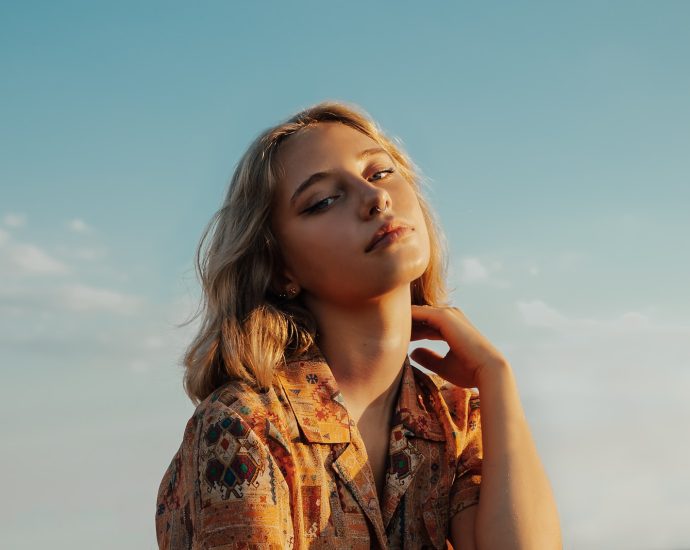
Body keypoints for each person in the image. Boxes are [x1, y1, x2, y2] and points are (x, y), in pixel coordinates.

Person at [155, 101, 562, 549]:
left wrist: (497, 379)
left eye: (380, 173)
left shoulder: (453, 418)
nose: (375, 199)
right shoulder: (244, 426)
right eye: (325, 200)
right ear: (279, 269)